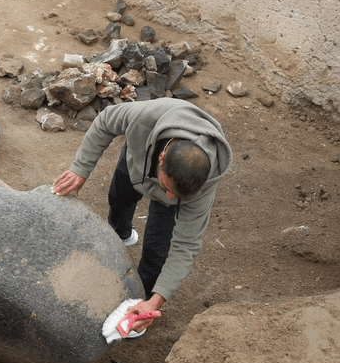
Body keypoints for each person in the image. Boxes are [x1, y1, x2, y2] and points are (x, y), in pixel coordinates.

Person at [52, 97, 232, 335]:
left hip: (166, 174)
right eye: (167, 188)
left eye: (176, 196)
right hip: (139, 155)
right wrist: (80, 168)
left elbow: (185, 246)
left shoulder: (201, 186)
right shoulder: (145, 117)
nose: (168, 197)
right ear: (161, 159)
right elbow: (105, 120)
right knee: (119, 200)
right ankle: (122, 235)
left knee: (158, 248)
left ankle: (139, 301)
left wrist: (156, 301)